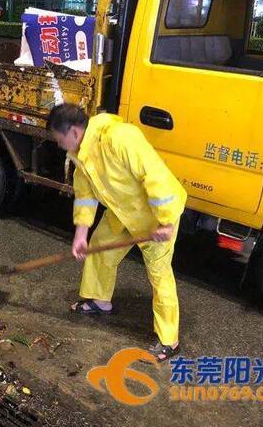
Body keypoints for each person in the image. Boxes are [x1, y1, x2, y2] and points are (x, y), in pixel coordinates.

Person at [47, 104, 187, 362]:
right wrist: (81, 234)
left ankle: (169, 340)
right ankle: (99, 301)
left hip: (154, 218)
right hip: (122, 211)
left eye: (59, 139)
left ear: (74, 132)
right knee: (100, 250)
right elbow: (85, 195)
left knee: (159, 275)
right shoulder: (81, 153)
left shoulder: (120, 137)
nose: (59, 145)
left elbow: (154, 176)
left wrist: (166, 222)